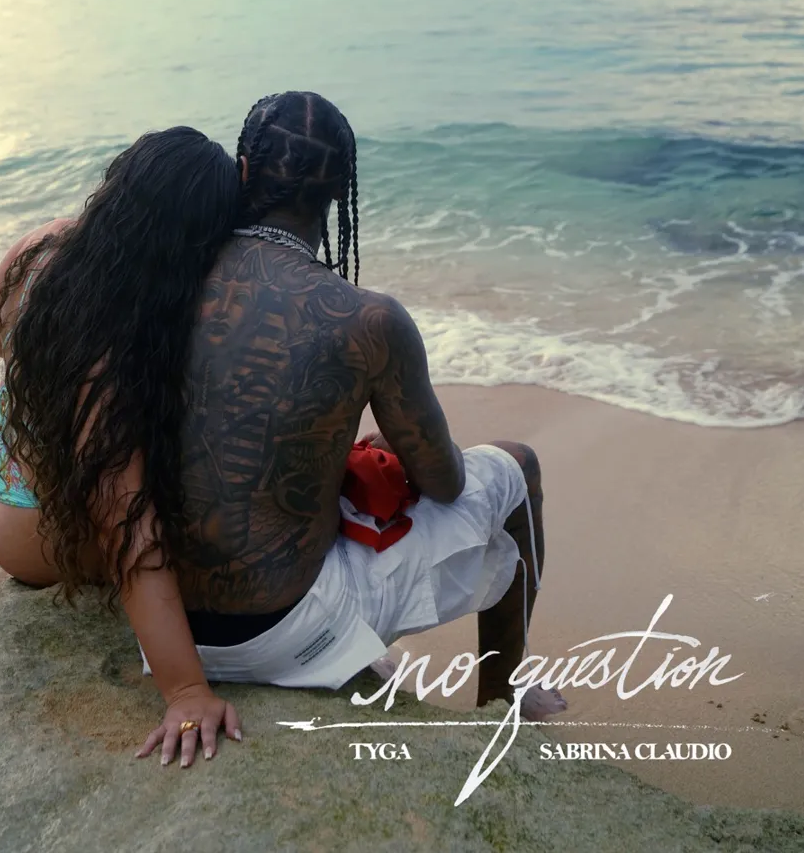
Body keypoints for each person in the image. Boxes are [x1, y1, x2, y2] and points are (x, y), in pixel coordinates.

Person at [148, 92, 566, 721]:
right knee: (517, 466)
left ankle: (363, 652)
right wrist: (395, 441)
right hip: (285, 636)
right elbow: (446, 484)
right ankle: (503, 697)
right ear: (340, 192)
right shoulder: (369, 319)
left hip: (163, 626)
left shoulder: (168, 281)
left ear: (243, 170)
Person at [0, 126, 246, 769]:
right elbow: (125, 522)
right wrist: (186, 691)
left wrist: (45, 379)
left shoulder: (47, 245)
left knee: (48, 388)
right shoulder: (115, 345)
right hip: (27, 526)